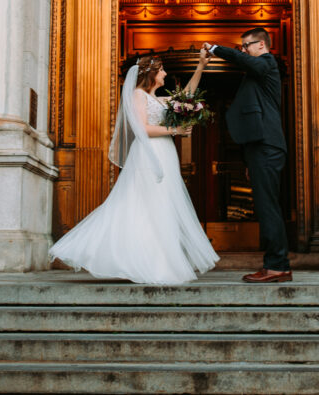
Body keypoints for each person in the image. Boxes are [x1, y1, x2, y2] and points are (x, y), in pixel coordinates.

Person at [48, 52, 219, 284]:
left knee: (162, 205)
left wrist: (200, 66)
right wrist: (175, 131)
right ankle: (143, 262)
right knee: (145, 204)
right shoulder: (138, 95)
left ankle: (159, 261)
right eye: (162, 70)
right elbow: (142, 128)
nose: (165, 74)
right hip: (149, 154)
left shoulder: (158, 99)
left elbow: (187, 95)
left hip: (165, 153)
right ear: (151, 74)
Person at [203, 29, 291, 283]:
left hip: (267, 145)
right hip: (259, 147)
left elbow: (247, 62)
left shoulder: (267, 62)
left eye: (246, 46)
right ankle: (277, 264)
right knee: (266, 207)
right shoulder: (257, 72)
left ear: (261, 45)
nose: (243, 50)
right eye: (240, 47)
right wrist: (247, 161)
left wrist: (216, 49)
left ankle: (277, 266)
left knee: (268, 207)